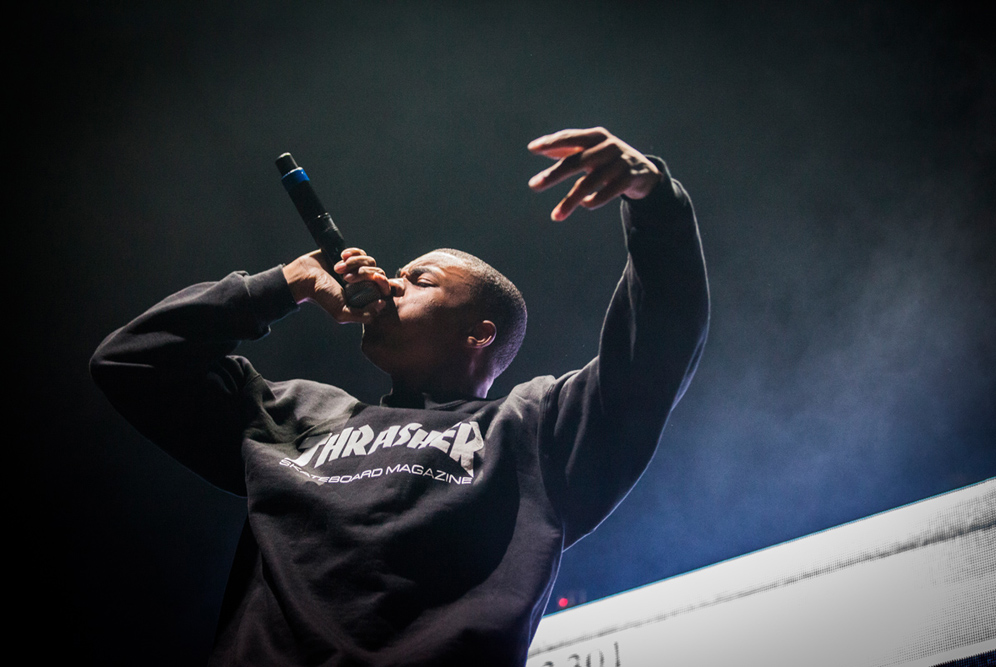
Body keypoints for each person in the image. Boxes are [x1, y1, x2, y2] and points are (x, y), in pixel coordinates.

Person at [91, 127, 710, 666]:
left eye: (420, 280)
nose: (388, 282)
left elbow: (656, 347)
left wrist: (654, 197)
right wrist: (285, 285)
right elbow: (132, 360)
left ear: (479, 333)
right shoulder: (295, 416)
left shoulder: (534, 428)